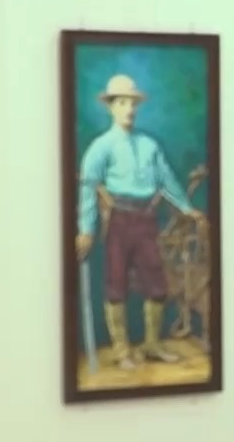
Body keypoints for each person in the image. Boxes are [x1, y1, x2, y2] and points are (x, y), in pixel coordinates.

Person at [75, 73, 205, 369]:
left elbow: (166, 180)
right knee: (116, 283)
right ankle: (122, 351)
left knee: (157, 284)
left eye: (133, 103)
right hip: (119, 221)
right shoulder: (100, 147)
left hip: (147, 220)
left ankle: (152, 345)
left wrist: (187, 209)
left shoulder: (149, 145)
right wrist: (86, 230)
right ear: (111, 107)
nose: (129, 109)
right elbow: (88, 189)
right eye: (122, 103)